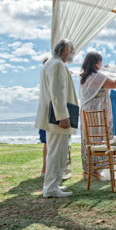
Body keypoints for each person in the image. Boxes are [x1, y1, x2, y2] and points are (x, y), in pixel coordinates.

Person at [35, 39, 77, 198]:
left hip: (52, 115)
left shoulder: (50, 63)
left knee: (56, 151)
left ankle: (52, 185)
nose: (73, 53)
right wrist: (63, 116)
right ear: (65, 50)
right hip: (57, 117)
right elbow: (58, 93)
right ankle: (51, 187)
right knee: (57, 152)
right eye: (72, 49)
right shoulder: (58, 64)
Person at [78, 52, 116, 180]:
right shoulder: (96, 76)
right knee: (98, 140)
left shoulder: (85, 77)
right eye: (100, 61)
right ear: (97, 63)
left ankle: (90, 169)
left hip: (87, 112)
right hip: (96, 113)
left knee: (89, 140)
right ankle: (94, 169)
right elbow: (115, 84)